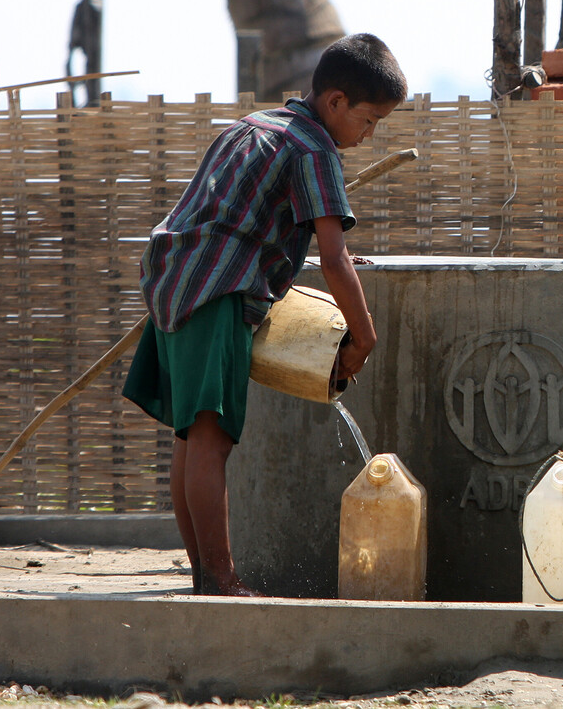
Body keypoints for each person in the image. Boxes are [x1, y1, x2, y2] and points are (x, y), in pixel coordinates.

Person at [122, 33, 408, 595]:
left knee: (190, 438)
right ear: (335, 103)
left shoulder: (253, 125)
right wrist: (364, 336)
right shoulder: (315, 150)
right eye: (369, 120)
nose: (370, 135)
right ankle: (222, 580)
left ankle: (206, 579)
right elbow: (333, 257)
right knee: (211, 440)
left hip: (172, 279)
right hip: (216, 291)